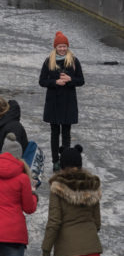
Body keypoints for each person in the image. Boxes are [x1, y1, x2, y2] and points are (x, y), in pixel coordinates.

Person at [39, 32, 85, 173]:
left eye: (64, 46)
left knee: (66, 133)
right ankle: (55, 161)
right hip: (53, 102)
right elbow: (42, 81)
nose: (62, 49)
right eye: (60, 46)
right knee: (54, 133)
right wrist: (55, 82)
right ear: (55, 47)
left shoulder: (74, 61)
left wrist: (70, 80)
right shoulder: (49, 61)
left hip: (68, 103)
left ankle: (65, 160)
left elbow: (81, 81)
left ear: (67, 47)